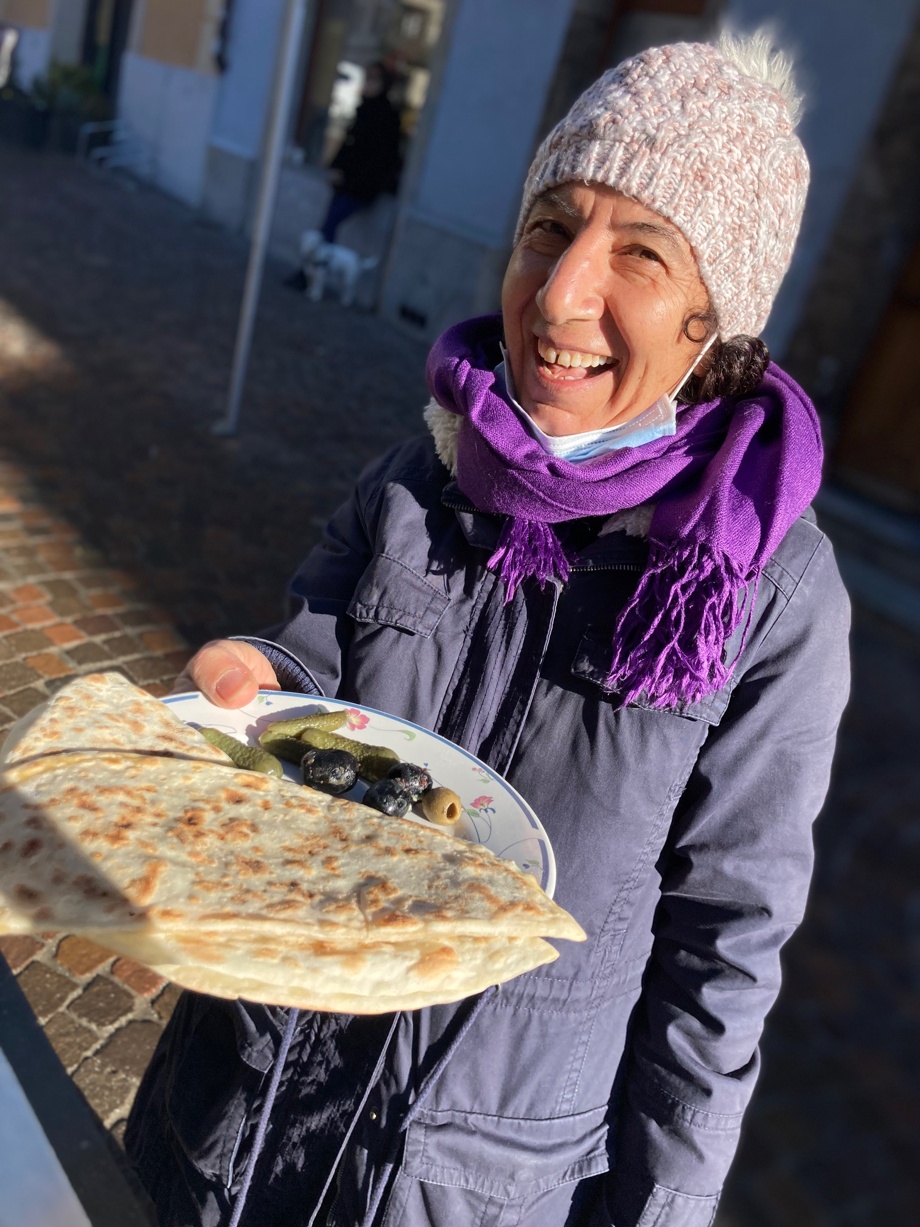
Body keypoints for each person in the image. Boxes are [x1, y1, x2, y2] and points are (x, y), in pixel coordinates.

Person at [126, 30, 850, 1227]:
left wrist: (660, 1211)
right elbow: (313, 672)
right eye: (549, 227)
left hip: (463, 1185)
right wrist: (260, 677)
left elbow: (723, 946)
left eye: (640, 253)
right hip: (237, 1113)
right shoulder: (420, 478)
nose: (561, 292)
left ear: (710, 328)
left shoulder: (767, 596)